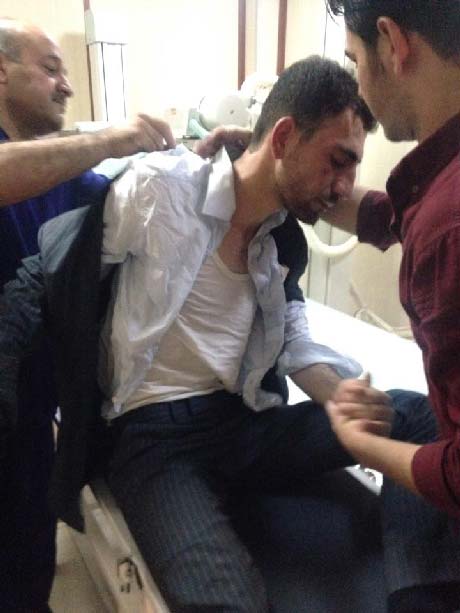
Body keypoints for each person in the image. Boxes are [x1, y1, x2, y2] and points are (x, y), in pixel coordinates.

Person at [2, 53, 458, 612]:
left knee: (422, 418)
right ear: (284, 137)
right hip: (155, 442)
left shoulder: (280, 239)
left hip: (241, 422)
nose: (344, 187)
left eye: (353, 169)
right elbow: (54, 270)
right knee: (230, 600)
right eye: (337, 162)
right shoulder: (161, 189)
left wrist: (338, 395)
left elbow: (292, 336)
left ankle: (419, 597)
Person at [0, 17, 174, 613]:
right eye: (50, 69)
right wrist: (109, 137)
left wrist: (214, 158)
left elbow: (136, 196)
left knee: (28, 560)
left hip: (30, 419)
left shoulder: (71, 182)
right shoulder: (31, 165)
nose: (67, 86)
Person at [317, 1, 460, 610]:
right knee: (404, 408)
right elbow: (392, 213)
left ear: (393, 43)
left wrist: (361, 445)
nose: (360, 84)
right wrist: (292, 181)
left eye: (355, 61)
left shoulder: (448, 225)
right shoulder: (438, 184)